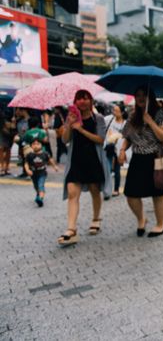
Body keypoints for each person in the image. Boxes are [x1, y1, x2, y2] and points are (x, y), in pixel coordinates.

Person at [118, 87, 163, 238]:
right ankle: (141, 219)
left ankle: (160, 224)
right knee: (131, 194)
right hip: (138, 158)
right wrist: (123, 150)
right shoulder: (133, 116)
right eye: (138, 95)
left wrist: (150, 121)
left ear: (151, 97)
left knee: (158, 194)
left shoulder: (162, 114)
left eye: (145, 95)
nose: (141, 98)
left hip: (156, 158)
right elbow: (127, 136)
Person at [58, 90, 111, 246]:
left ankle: (96, 218)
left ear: (91, 101)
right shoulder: (71, 118)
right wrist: (69, 125)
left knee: (95, 190)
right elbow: (65, 140)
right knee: (73, 193)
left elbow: (100, 140)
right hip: (76, 160)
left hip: (93, 159)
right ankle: (71, 229)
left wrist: (80, 129)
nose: (82, 101)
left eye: (85, 98)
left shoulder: (98, 119)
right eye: (79, 99)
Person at [24, 138, 59, 207]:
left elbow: (50, 160)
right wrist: (27, 170)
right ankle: (38, 194)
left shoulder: (45, 153)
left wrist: (55, 166)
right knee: (36, 186)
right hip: (33, 174)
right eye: (34, 144)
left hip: (42, 173)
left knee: (41, 185)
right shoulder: (29, 155)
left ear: (41, 145)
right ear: (31, 146)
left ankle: (40, 199)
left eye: (38, 144)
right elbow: (26, 163)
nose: (36, 146)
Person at [104, 104, 126, 196]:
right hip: (109, 146)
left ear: (122, 112)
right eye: (114, 110)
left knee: (117, 169)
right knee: (107, 168)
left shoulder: (125, 123)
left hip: (118, 148)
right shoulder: (109, 119)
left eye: (117, 111)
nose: (114, 112)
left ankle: (116, 189)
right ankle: (107, 189)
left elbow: (125, 136)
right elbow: (104, 128)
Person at [0, 111, 16, 176]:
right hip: (2, 131)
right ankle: (2, 167)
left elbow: (13, 127)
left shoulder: (11, 110)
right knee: (1, 148)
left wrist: (13, 122)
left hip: (9, 133)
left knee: (8, 149)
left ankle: (6, 167)